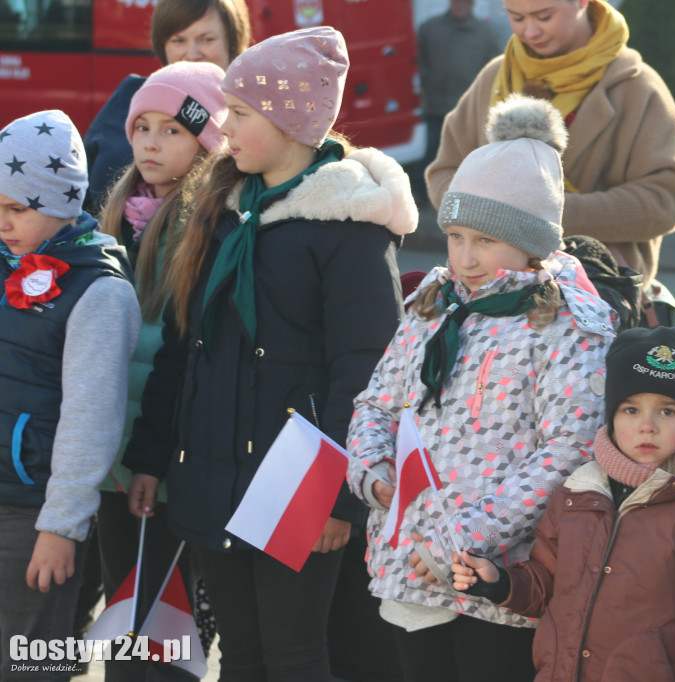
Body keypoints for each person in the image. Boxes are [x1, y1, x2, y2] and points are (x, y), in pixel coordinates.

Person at [122, 27, 416, 680]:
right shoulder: (221, 213)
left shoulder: (350, 231)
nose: (225, 127)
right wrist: (152, 458)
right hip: (211, 479)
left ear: (291, 121)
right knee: (241, 653)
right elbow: (185, 345)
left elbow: (367, 374)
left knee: (293, 656)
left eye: (243, 114)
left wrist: (338, 500)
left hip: (297, 489)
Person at [348, 94, 615, 682]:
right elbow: (378, 402)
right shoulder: (435, 303)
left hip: (495, 569)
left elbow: (568, 449)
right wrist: (371, 471)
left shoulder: (566, 323)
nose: (465, 258)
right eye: (456, 236)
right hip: (411, 556)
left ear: (531, 242)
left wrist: (464, 535)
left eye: (486, 241)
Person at [450, 326, 675, 682]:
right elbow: (549, 584)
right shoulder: (579, 492)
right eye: (630, 409)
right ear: (612, 419)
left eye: (667, 411)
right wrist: (501, 584)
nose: (646, 426)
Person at [94, 60, 228, 681]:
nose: (149, 141)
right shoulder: (118, 214)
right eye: (141, 127)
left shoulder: (202, 225)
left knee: (164, 632)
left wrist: (149, 458)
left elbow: (176, 354)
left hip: (162, 463)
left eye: (171, 129)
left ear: (206, 142)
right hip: (114, 459)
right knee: (122, 614)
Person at [0, 110, 140, 679]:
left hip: (32, 516)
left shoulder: (100, 292)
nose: (3, 222)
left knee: (30, 664)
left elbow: (91, 420)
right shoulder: (8, 263)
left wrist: (61, 529)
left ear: (62, 203)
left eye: (17, 208)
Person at [425, 0, 675, 293]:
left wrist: (545, 215)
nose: (530, 30)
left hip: (599, 296)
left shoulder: (637, 86)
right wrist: (479, 220)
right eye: (516, 17)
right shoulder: (494, 76)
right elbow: (443, 172)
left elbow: (666, 199)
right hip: (484, 298)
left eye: (544, 16)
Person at [83, 0, 251, 213]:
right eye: (178, 40)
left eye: (207, 39)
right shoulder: (130, 95)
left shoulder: (254, 112)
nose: (192, 54)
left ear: (233, 42)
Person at [414, 0, 502, 199]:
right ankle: (422, 195)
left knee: (465, 157)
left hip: (466, 111)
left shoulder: (485, 33)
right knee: (432, 152)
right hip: (435, 107)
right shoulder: (430, 28)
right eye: (457, 1)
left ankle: (460, 197)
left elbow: (493, 73)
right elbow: (420, 62)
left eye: (466, 2)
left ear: (472, 5)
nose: (461, 5)